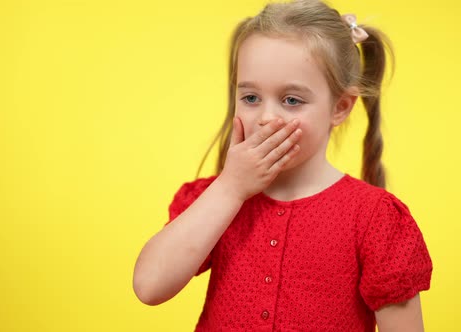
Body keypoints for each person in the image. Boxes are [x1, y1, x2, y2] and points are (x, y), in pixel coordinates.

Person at [133, 0, 433, 331]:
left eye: (291, 100)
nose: (266, 118)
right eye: (250, 98)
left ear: (340, 107)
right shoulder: (216, 199)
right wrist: (231, 188)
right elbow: (149, 286)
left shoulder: (374, 217)